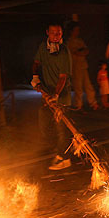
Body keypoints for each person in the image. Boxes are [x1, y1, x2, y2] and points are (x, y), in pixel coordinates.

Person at [32, 21, 73, 170]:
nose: (56, 36)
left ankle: (64, 158)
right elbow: (36, 62)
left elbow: (63, 77)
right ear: (47, 33)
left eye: (59, 33)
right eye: (54, 32)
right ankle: (60, 150)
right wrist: (35, 77)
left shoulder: (64, 51)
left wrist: (56, 95)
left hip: (61, 97)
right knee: (44, 123)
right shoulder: (43, 47)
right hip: (47, 95)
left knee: (62, 128)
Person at [66, 21, 98, 111]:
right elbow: (76, 52)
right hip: (76, 67)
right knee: (78, 86)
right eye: (76, 30)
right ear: (71, 31)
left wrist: (81, 51)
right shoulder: (70, 42)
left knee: (88, 85)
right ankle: (79, 104)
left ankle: (93, 102)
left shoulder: (80, 41)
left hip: (83, 65)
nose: (78, 32)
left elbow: (85, 51)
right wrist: (80, 52)